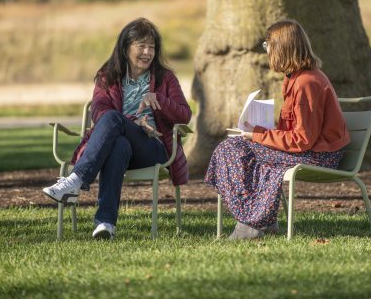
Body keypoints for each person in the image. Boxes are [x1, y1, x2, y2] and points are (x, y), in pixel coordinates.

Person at [42, 18, 192, 239]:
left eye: (151, 47)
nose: (147, 52)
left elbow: (184, 115)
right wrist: (131, 120)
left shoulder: (165, 78)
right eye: (141, 45)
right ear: (125, 47)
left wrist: (158, 99)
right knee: (118, 144)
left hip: (153, 147)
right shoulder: (108, 75)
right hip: (117, 145)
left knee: (115, 120)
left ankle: (76, 181)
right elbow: (99, 111)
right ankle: (105, 224)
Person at [205, 19, 350, 240]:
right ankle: (260, 220)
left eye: (268, 45)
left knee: (232, 149)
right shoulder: (295, 78)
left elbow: (302, 139)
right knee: (235, 147)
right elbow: (296, 131)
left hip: (320, 156)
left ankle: (252, 224)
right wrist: (258, 130)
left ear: (283, 47)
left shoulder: (306, 83)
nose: (267, 50)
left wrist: (258, 136)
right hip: (310, 150)